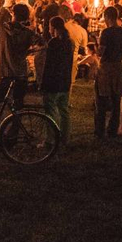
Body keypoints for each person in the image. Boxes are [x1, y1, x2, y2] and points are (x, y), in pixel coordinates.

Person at [0, 3, 34, 138]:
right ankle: (13, 134)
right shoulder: (28, 32)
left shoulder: (1, 29)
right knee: (18, 106)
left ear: (13, 14)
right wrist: (26, 51)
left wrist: (4, 50)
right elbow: (40, 45)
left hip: (5, 72)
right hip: (21, 73)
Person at [94, 7, 122, 139]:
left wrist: (97, 45)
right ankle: (112, 129)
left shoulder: (106, 32)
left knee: (101, 100)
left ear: (107, 17)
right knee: (116, 100)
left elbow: (100, 52)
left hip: (106, 68)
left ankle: (100, 130)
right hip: (118, 66)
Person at [40, 16, 73, 146]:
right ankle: (65, 138)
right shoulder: (68, 42)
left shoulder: (54, 43)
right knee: (64, 110)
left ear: (53, 27)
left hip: (53, 82)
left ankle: (51, 139)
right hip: (65, 81)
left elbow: (49, 65)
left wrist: (43, 83)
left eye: (49, 27)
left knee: (50, 111)